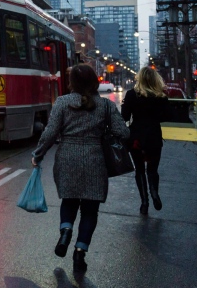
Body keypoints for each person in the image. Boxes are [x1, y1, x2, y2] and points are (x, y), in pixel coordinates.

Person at [31, 64, 129, 273]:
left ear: (72, 83)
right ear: (95, 81)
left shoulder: (62, 102)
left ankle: (65, 231)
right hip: (95, 159)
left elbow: (49, 133)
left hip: (67, 157)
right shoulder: (105, 106)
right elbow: (123, 132)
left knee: (70, 200)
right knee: (90, 211)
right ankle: (79, 252)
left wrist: (38, 155)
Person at [121, 66, 169, 215]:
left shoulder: (131, 95)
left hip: (136, 137)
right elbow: (168, 116)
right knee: (153, 169)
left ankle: (144, 202)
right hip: (154, 135)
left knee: (140, 170)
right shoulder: (161, 96)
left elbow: (124, 117)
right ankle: (154, 192)